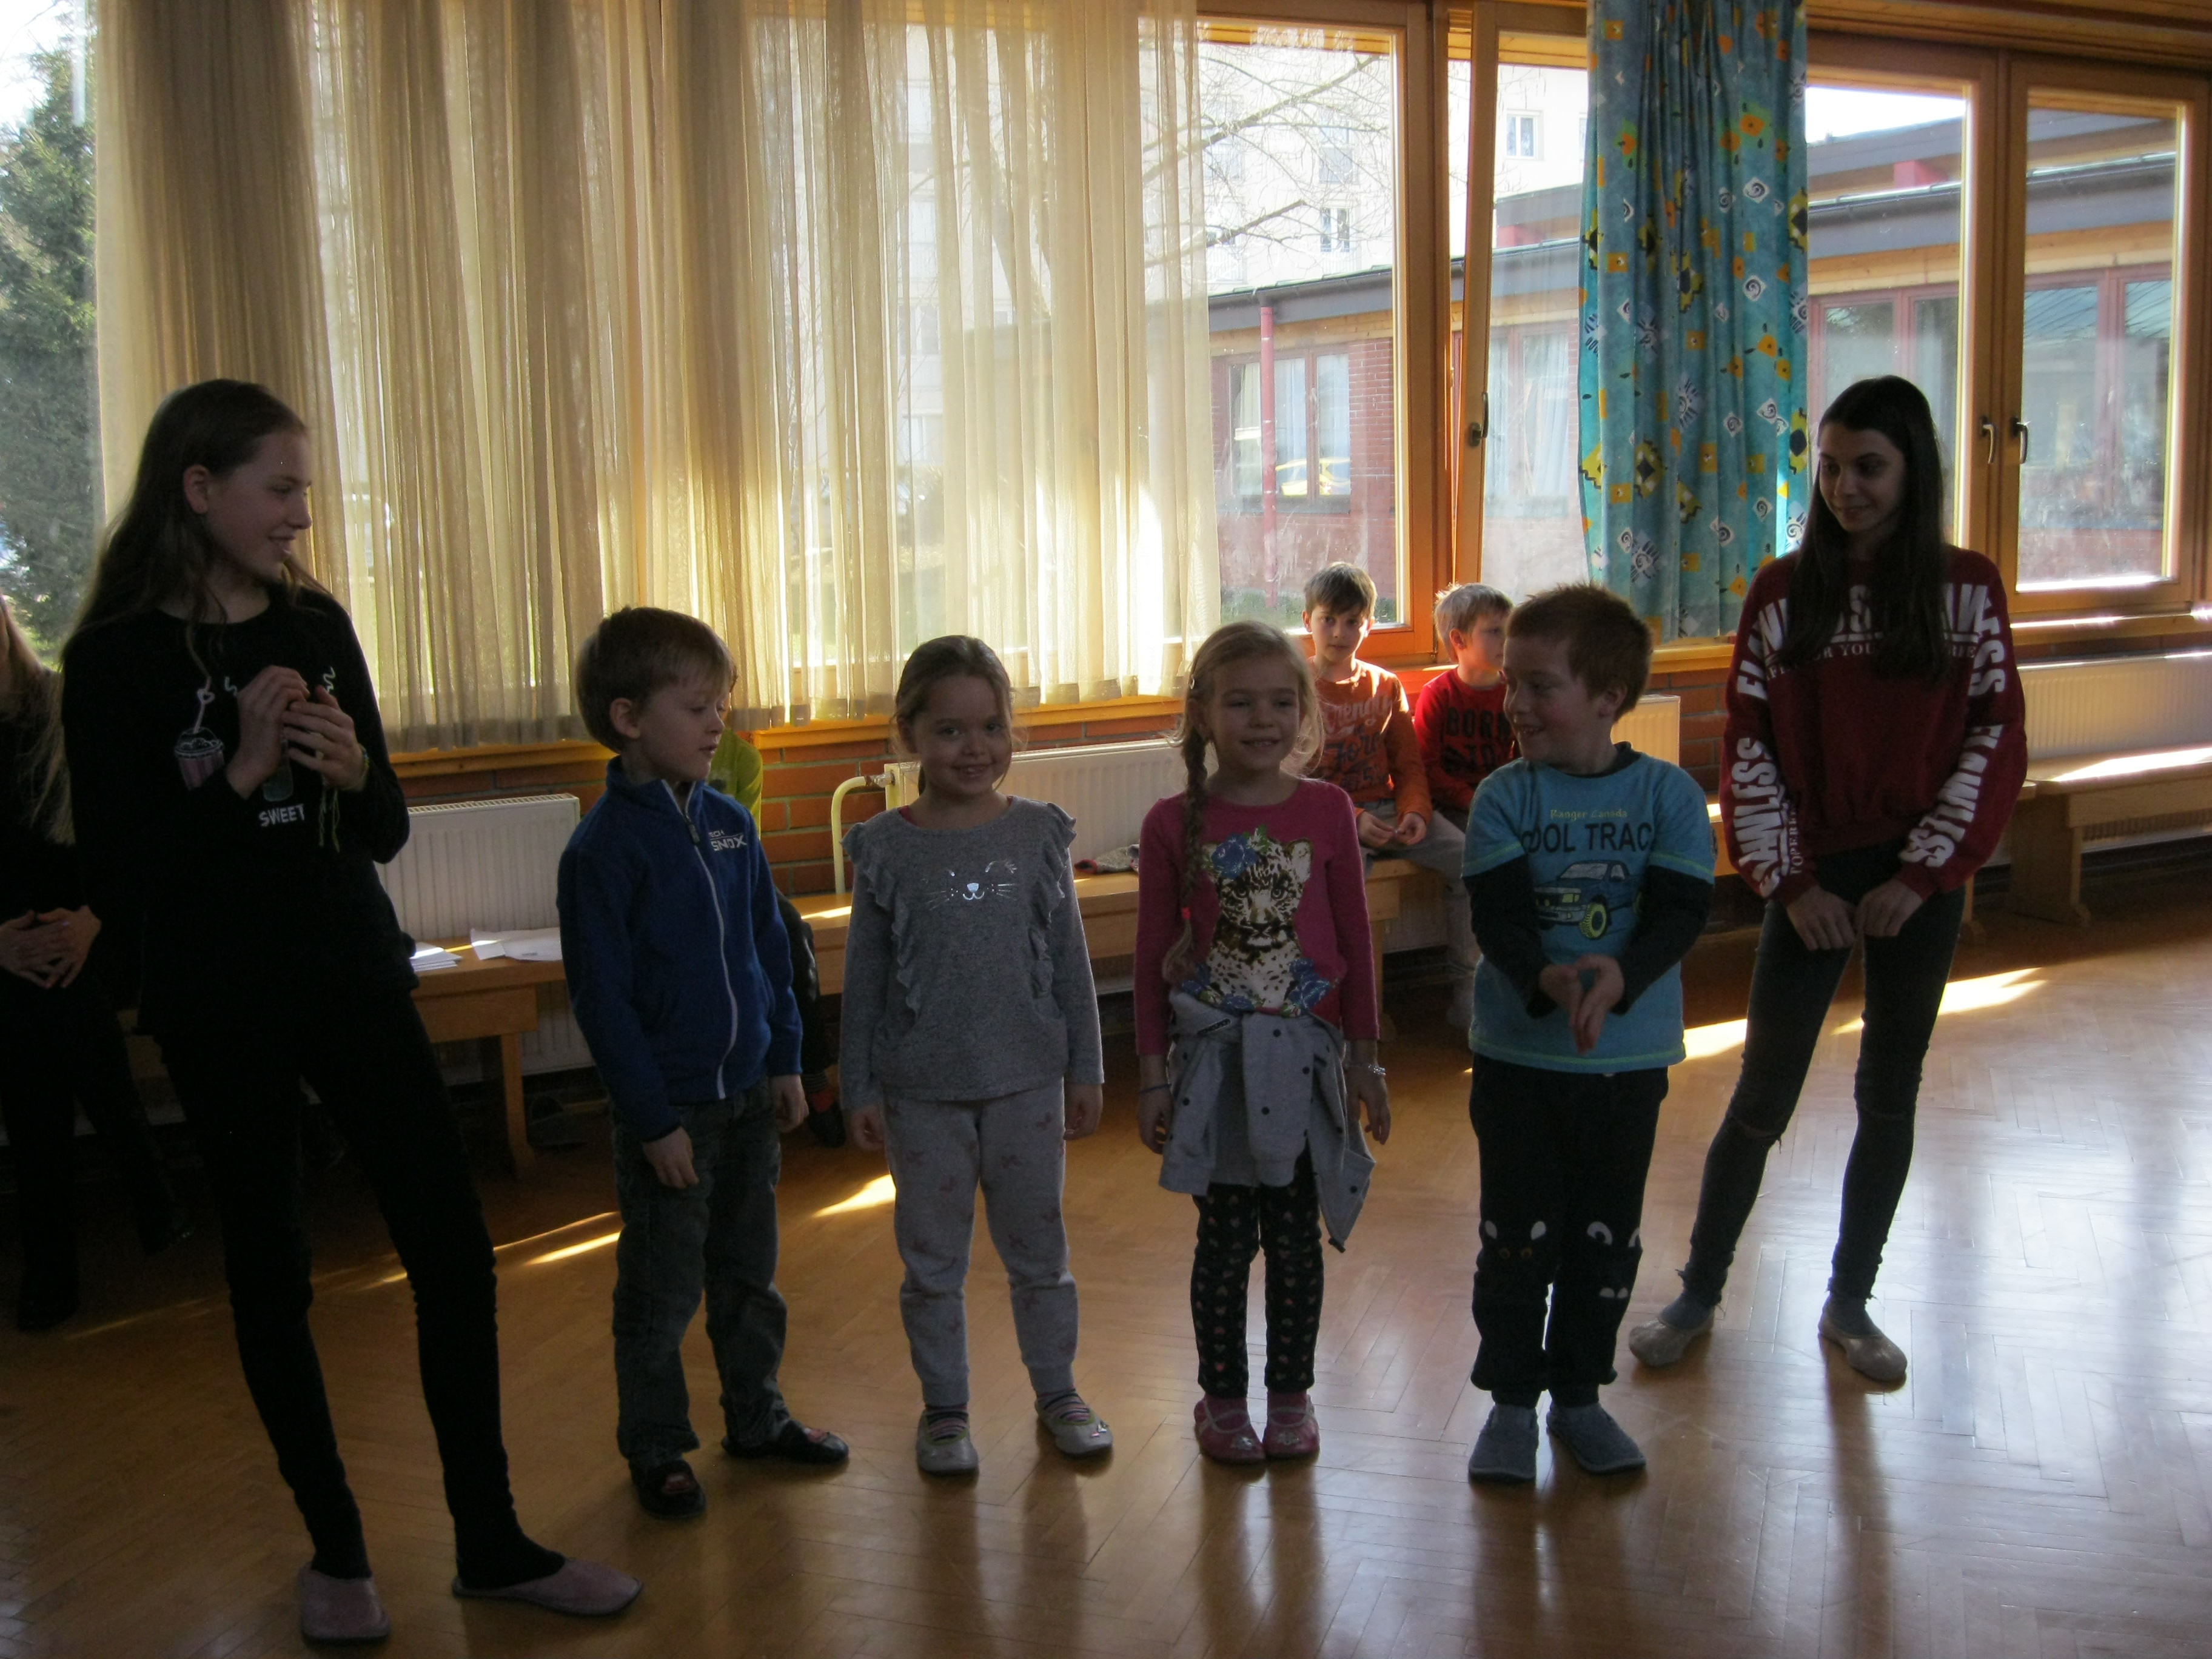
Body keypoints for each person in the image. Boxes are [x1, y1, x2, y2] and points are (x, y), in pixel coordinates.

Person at [61, 380, 638, 1643]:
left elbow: (380, 830)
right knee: (271, 1272)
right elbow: (127, 880)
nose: (300, 515)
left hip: (352, 976)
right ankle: (335, 1551)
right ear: (199, 489)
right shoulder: (112, 661)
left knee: (452, 1250)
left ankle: (491, 1542)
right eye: (279, 488)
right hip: (216, 1005)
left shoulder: (315, 626)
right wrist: (244, 772)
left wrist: (354, 768)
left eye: (305, 489)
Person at [1628, 375, 2026, 1384]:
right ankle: (1698, 1291)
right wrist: (1791, 884)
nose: (1846, 488)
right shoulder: (1780, 593)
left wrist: (1924, 874)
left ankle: (1850, 1300)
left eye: (1870, 468)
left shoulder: (1967, 589)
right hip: (1811, 879)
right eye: (1832, 467)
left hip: (1917, 882)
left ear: (1914, 470)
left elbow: (1992, 740)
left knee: (1888, 1093)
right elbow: (1749, 746)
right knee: (1761, 1094)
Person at [558, 607, 849, 1521]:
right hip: (673, 1118)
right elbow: (603, 1004)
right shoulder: (603, 852)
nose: (719, 722)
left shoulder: (728, 824)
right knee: (661, 1293)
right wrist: (652, 1122)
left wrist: (788, 1060)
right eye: (696, 708)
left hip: (750, 1099)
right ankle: (657, 1446)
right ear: (628, 718)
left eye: (721, 703)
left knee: (749, 1280)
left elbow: (769, 948)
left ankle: (757, 1419)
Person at [840, 636, 1114, 1475]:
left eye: (991, 727)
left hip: (1027, 1083)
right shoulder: (884, 846)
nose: (974, 748)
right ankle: (945, 1410)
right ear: (910, 735)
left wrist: (1088, 1067)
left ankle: (1058, 1393)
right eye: (950, 730)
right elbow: (865, 980)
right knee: (932, 1265)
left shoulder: (1037, 835)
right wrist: (857, 1085)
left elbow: (1069, 962)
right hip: (922, 1093)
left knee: (1041, 1258)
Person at [1458, 586, 1715, 1483]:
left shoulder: (1670, 795)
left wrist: (1621, 977)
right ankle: (1510, 1404)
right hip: (1517, 1064)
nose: (1517, 705)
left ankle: (1578, 1398)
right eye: (1512, 685)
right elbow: (1498, 918)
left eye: (1541, 687)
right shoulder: (1502, 797)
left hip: (1626, 1067)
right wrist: (1548, 979)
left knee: (1604, 1237)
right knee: (1516, 1238)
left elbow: (1681, 912)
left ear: (1608, 697)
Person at [1133, 618, 1391, 1466]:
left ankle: (1290, 1398)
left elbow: (1354, 940)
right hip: (1215, 1071)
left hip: (1306, 1062)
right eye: (1240, 703)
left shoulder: (1329, 810)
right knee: (1224, 1241)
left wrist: (1367, 1060)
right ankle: (1220, 1400)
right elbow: (1149, 961)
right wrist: (1150, 1077)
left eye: (1282, 702)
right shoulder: (1171, 823)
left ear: (1305, 712)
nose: (1263, 720)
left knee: (1293, 1240)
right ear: (1202, 713)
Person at [1, 595, 188, 1332]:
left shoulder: (63, 704)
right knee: (42, 1012)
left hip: (96, 928)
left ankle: (52, 1264)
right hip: (12, 952)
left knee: (45, 1010)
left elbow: (128, 835)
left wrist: (89, 921)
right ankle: (147, 1181)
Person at [1301, 563, 1480, 1023]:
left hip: (1388, 811)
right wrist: (1353, 818)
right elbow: (1294, 780)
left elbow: (1408, 764)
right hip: (1330, 819)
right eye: (1328, 620)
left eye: (1352, 621)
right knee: (1342, 889)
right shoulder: (1295, 689)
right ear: (1308, 621)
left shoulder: (1385, 685)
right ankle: (1346, 1008)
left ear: (1369, 625)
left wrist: (1416, 811)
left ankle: (1469, 993)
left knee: (1471, 862)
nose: (1339, 633)